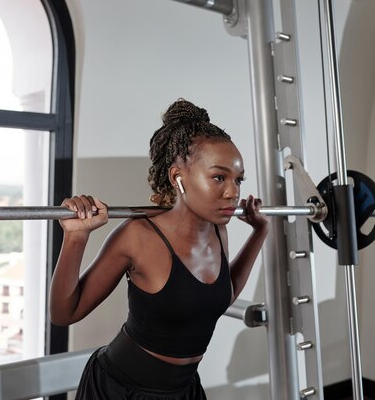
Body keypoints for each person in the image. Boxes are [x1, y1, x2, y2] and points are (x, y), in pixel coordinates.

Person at [49, 98, 269, 399]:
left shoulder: (218, 229)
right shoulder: (137, 236)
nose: (232, 192)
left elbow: (218, 296)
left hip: (184, 390)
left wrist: (260, 231)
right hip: (120, 389)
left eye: (238, 179)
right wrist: (75, 238)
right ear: (178, 177)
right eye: (219, 177)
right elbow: (64, 313)